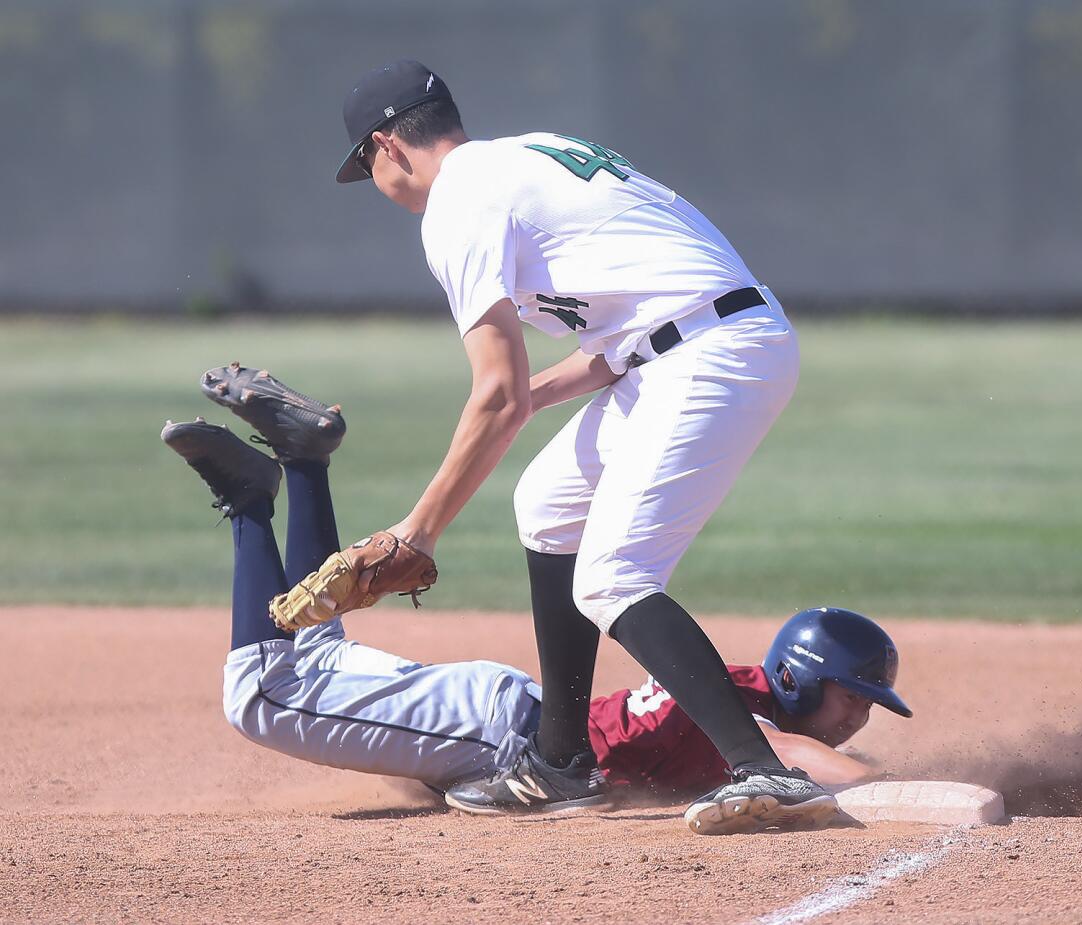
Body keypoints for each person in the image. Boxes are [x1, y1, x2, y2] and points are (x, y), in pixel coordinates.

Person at [329, 59, 821, 833]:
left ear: (386, 146)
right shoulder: (522, 161)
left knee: (612, 573)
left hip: (708, 352)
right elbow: (602, 344)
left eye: (365, 165)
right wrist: (527, 401)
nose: (376, 182)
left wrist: (415, 531)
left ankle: (765, 772)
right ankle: (563, 764)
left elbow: (495, 392)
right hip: (695, 339)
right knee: (548, 501)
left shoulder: (456, 202)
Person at [159, 373, 912, 834]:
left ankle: (303, 460)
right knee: (264, 694)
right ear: (806, 676)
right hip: (496, 737)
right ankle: (253, 503)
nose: (857, 718)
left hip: (506, 721)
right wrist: (898, 784)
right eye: (853, 697)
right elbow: (788, 756)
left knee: (314, 658)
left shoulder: (733, 696)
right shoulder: (747, 711)